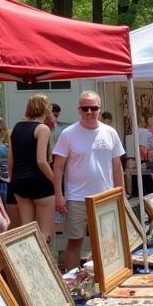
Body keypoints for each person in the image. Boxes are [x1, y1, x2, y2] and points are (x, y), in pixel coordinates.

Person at [52, 91, 126, 270]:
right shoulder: (68, 134)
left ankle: (104, 277)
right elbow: (58, 166)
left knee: (104, 241)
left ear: (99, 110)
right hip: (77, 198)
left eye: (94, 108)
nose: (89, 112)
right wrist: (59, 196)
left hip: (105, 197)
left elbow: (117, 166)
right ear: (79, 110)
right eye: (85, 108)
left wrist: (120, 194)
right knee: (75, 241)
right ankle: (71, 280)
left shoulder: (110, 132)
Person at [9, 94, 57, 244]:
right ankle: (44, 264)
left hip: (19, 181)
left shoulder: (15, 128)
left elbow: (11, 161)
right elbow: (41, 160)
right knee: (45, 232)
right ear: (46, 108)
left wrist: (13, 179)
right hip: (39, 181)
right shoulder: (42, 128)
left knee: (27, 230)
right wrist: (55, 181)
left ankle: (26, 264)